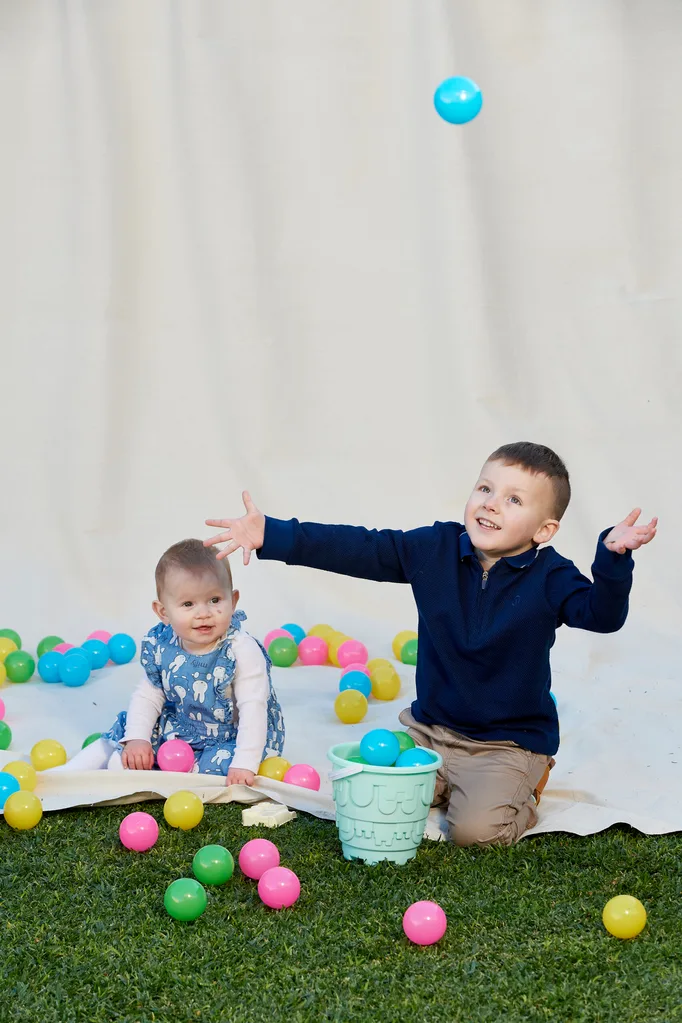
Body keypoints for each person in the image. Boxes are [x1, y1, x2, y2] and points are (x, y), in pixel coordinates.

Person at [204, 442, 657, 844]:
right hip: (431, 730)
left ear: (544, 530)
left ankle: (525, 779)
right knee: (370, 797)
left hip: (506, 744)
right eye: (485, 489)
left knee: (474, 834)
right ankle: (443, 780)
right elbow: (360, 547)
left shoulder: (552, 576)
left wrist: (613, 561)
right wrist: (274, 534)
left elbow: (602, 616)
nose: (492, 505)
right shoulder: (436, 549)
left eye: (514, 499)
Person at [58, 539, 285, 784]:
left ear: (234, 600)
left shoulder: (240, 649)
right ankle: (70, 772)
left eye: (215, 600)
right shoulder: (163, 644)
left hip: (231, 737)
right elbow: (149, 695)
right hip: (182, 728)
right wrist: (138, 738)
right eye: (188, 604)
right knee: (130, 731)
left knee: (209, 771)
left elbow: (253, 708)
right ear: (163, 612)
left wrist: (244, 764)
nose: (204, 613)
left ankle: (137, 771)